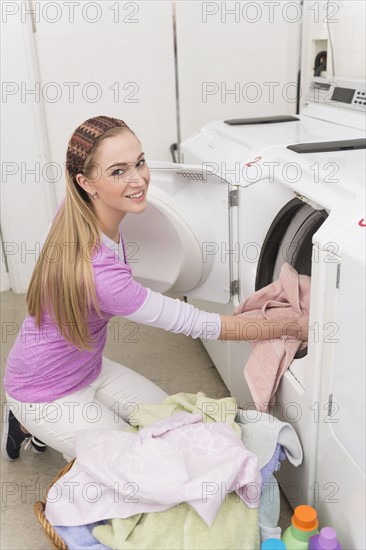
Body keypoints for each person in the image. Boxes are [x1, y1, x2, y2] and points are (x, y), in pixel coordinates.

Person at [2, 116, 309, 463]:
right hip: (44, 392)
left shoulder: (74, 211)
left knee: (178, 427)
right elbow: (201, 324)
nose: (138, 180)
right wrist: (292, 326)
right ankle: (27, 419)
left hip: (87, 367)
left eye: (140, 162)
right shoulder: (99, 273)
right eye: (118, 171)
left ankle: (31, 427)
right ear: (86, 182)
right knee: (147, 465)